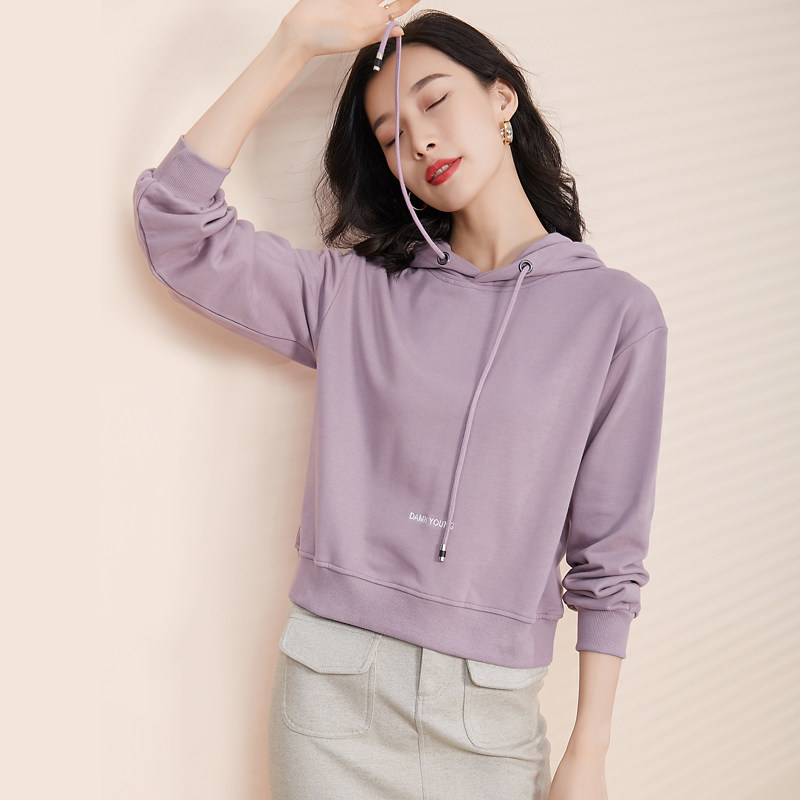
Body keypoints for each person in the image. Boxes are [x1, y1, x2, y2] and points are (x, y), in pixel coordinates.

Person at [132, 2, 668, 798]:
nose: (419, 140)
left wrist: (589, 751)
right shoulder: (355, 294)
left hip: (488, 719)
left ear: (502, 97)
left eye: (436, 100)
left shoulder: (615, 315)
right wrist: (289, 48)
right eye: (391, 136)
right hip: (330, 700)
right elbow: (177, 224)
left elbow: (608, 555)